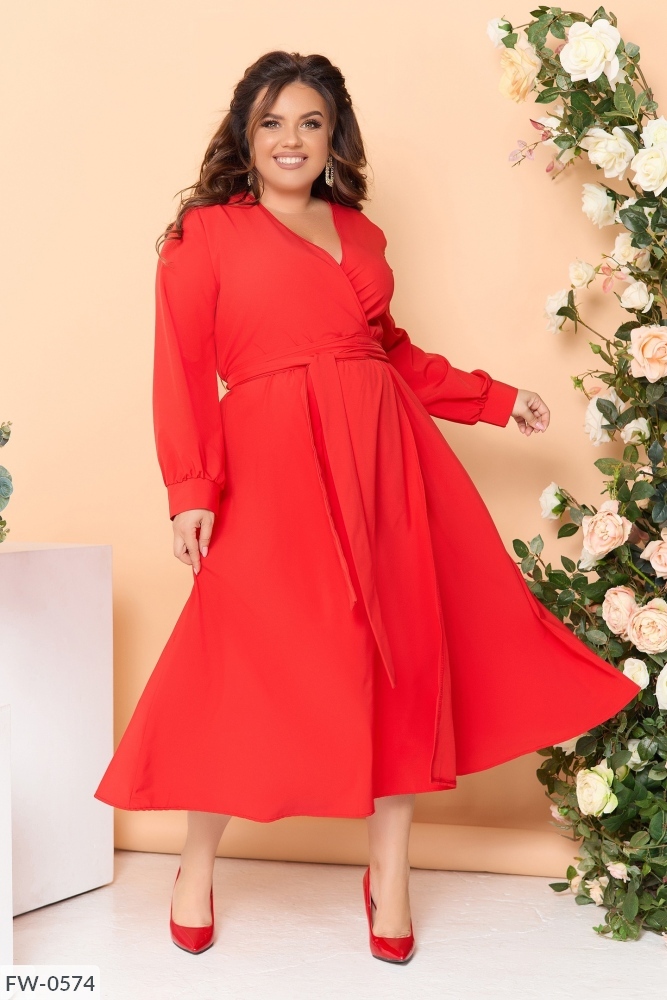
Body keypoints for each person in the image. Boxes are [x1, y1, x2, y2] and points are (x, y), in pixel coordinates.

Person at [93, 50, 641, 964]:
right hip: (268, 468)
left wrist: (493, 398)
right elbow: (180, 370)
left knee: (401, 657)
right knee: (239, 659)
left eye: (309, 123)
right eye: (271, 122)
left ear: (332, 136)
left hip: (385, 459)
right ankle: (195, 864)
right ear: (244, 135)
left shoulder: (362, 233)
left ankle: (390, 874)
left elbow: (387, 352)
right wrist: (190, 491)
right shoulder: (206, 235)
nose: (290, 140)